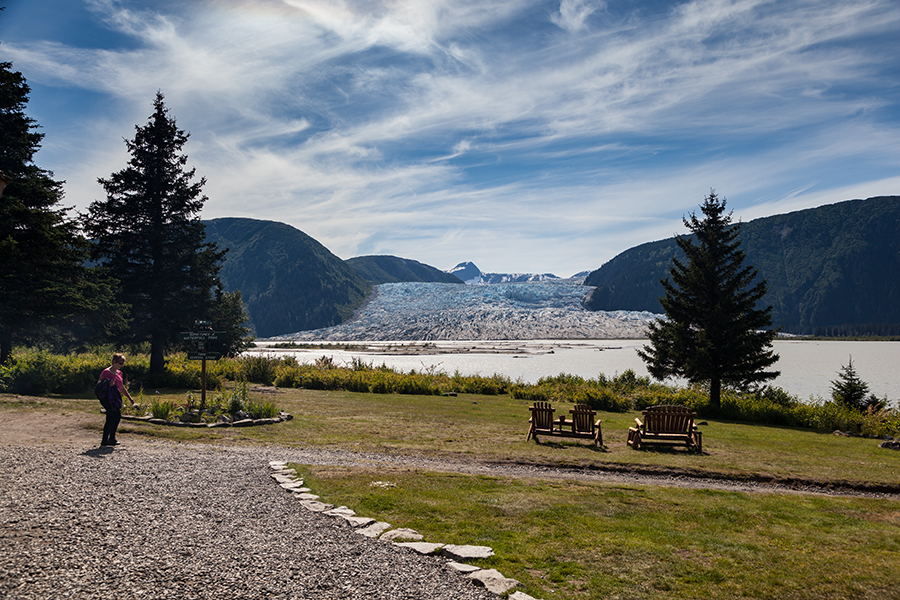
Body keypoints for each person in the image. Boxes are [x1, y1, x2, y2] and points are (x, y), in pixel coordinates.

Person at [98, 353, 135, 446]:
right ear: (114, 362)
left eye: (122, 363)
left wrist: (129, 397)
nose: (121, 365)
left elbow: (121, 387)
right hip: (107, 397)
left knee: (110, 417)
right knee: (116, 415)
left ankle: (106, 439)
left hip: (115, 397)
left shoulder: (119, 373)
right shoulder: (106, 372)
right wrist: (108, 384)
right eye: (119, 363)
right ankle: (111, 438)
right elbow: (99, 385)